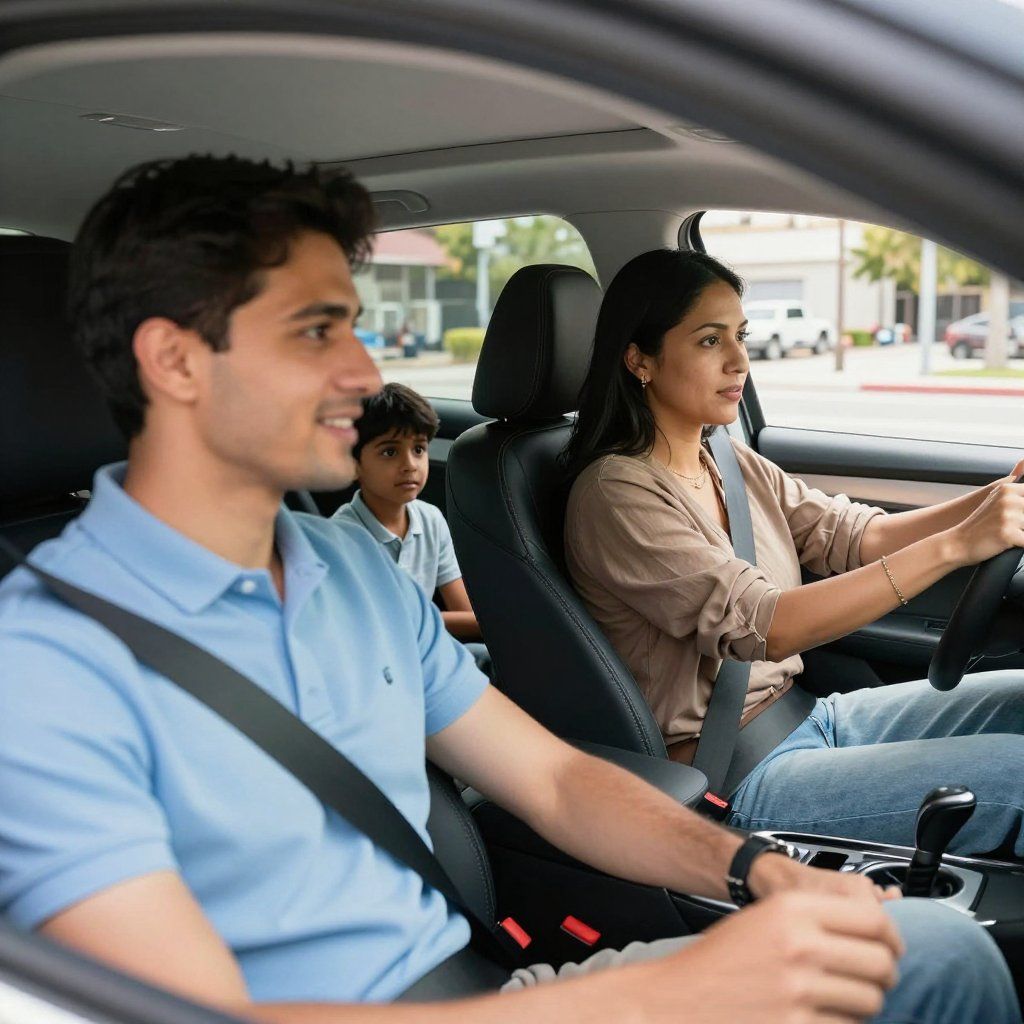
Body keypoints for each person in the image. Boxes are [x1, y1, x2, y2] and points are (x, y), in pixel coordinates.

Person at [0, 156, 1017, 1024]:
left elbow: (557, 781)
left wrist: (748, 868)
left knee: (930, 949)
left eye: (357, 326)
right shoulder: (40, 670)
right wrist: (662, 994)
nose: (365, 372)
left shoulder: (354, 573)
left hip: (482, 982)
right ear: (173, 359)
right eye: (317, 332)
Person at [563, 247, 1024, 862]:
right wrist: (956, 546)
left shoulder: (725, 457)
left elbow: (857, 535)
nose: (740, 361)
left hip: (812, 717)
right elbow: (768, 626)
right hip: (733, 771)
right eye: (709, 341)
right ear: (639, 359)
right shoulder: (616, 494)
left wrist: (988, 502)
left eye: (741, 336)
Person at [331, 381, 490, 670]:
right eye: (390, 452)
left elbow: (466, 614)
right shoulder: (342, 537)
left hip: (424, 650)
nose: (410, 464)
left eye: (418, 449)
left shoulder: (430, 520)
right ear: (353, 464)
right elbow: (380, 627)